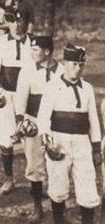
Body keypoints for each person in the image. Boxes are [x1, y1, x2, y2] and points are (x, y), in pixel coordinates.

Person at [37, 45, 101, 224]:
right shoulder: (52, 87)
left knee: (88, 186)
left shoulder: (87, 88)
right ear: (65, 63)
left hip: (82, 143)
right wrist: (48, 144)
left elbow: (93, 120)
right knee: (58, 187)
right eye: (73, 64)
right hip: (59, 141)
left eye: (81, 64)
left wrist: (96, 148)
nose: (77, 68)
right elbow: (43, 119)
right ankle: (59, 220)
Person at [14, 35, 61, 222]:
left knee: (58, 162)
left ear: (47, 51)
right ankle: (37, 207)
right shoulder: (27, 70)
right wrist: (22, 121)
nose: (32, 53)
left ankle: (59, 209)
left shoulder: (62, 71)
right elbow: (20, 99)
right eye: (31, 49)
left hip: (56, 123)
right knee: (34, 164)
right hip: (33, 121)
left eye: (35, 49)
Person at [0, 10, 33, 195]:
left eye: (20, 21)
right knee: (5, 135)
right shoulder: (0, 43)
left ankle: (35, 180)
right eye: (12, 21)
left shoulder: (33, 43)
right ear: (8, 22)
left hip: (29, 94)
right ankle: (9, 178)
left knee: (31, 135)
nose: (16, 25)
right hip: (6, 93)